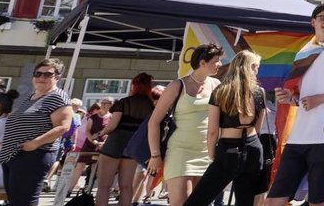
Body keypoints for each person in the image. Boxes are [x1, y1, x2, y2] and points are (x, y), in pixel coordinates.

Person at [266, 3, 324, 206]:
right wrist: (291, 98)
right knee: (273, 200)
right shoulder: (304, 53)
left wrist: (321, 98)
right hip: (298, 137)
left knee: (318, 202)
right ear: (313, 22)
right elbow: (300, 95)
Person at [184, 50, 267, 206]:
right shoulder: (259, 92)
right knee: (245, 201)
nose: (257, 72)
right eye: (257, 68)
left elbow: (213, 130)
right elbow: (258, 127)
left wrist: (212, 153)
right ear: (252, 67)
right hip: (254, 147)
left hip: (229, 147)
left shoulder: (221, 91)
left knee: (200, 198)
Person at [149, 43, 224, 206]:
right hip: (180, 152)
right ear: (202, 62)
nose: (219, 64)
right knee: (181, 202)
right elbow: (154, 121)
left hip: (207, 153)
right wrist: (155, 154)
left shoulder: (217, 85)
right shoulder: (177, 85)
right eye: (216, 60)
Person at [0, 58, 73, 206]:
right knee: (15, 201)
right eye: (37, 74)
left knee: (24, 202)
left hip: (33, 155)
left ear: (57, 77)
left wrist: (35, 143)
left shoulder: (58, 97)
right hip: (13, 154)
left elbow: (63, 127)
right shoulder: (31, 96)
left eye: (47, 75)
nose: (41, 78)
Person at [94, 72, 155, 206]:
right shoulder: (151, 106)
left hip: (116, 142)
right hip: (133, 145)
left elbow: (112, 126)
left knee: (104, 186)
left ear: (134, 85)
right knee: (126, 186)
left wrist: (98, 134)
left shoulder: (124, 102)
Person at [71, 99, 110, 192]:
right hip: (89, 143)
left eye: (106, 103)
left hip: (101, 145)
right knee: (80, 166)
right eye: (103, 103)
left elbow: (111, 131)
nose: (104, 105)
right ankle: (69, 189)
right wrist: (94, 141)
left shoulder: (111, 117)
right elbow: (87, 131)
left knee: (94, 168)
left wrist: (103, 143)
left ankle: (88, 189)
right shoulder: (93, 117)